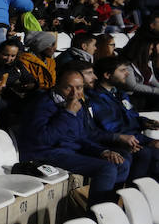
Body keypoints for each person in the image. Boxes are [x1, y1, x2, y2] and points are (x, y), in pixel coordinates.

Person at [18, 68, 129, 207]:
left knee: (121, 162)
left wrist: (103, 152)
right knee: (106, 169)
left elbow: (82, 137)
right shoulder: (42, 103)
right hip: (44, 153)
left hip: (68, 150)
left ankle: (109, 208)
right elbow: (44, 139)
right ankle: (96, 216)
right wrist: (68, 113)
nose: (74, 93)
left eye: (79, 88)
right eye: (68, 88)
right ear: (57, 85)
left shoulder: (76, 103)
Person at [88, 56, 159, 181]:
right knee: (146, 153)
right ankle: (133, 194)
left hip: (132, 138)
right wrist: (147, 141)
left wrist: (146, 122)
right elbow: (115, 129)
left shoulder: (120, 93)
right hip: (113, 142)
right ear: (107, 75)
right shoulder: (96, 99)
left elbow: (132, 117)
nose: (127, 73)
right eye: (122, 70)